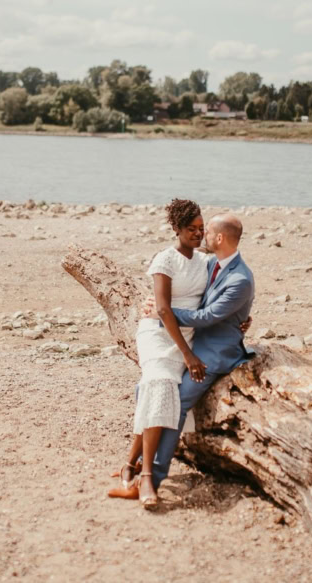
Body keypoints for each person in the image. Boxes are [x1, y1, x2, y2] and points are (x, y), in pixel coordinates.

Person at [109, 209, 255, 504]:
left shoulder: (239, 278)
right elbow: (185, 280)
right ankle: (133, 462)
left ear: (220, 237)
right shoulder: (213, 262)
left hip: (214, 352)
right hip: (190, 340)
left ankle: (152, 478)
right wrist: (158, 305)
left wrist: (164, 313)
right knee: (145, 390)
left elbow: (209, 314)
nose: (202, 235)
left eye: (207, 231)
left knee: (175, 403)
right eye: (197, 229)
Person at [109, 198, 210, 508]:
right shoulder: (164, 260)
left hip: (188, 334)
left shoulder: (205, 262)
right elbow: (163, 308)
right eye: (191, 228)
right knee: (161, 383)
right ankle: (148, 478)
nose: (197, 234)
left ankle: (130, 464)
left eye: (201, 228)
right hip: (156, 335)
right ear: (177, 229)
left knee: (158, 393)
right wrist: (188, 356)